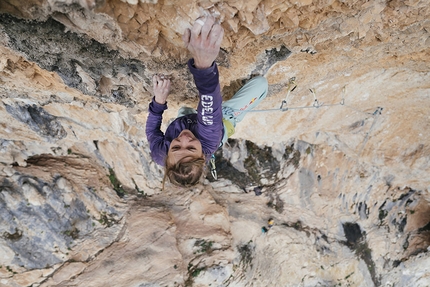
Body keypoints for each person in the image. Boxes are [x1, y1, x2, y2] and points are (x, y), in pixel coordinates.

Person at [146, 16, 268, 188]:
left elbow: (152, 131)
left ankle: (189, 116)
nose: (185, 139)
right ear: (203, 155)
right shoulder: (209, 138)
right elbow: (209, 101)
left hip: (187, 120)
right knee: (261, 84)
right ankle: (233, 114)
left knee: (185, 112)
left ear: (167, 156)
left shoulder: (160, 154)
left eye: (176, 147)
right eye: (191, 148)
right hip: (221, 122)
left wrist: (159, 101)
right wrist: (204, 66)